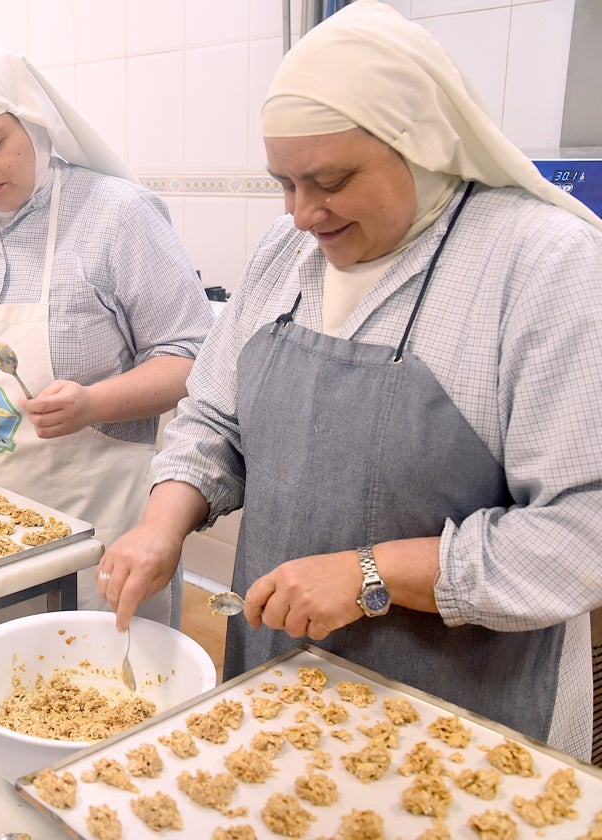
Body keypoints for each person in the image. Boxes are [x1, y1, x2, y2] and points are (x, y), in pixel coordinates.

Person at [99, 0, 602, 762]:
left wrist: (373, 574)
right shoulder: (286, 255)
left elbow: (581, 532)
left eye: (330, 180)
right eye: (284, 183)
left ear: (422, 144)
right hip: (281, 676)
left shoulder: (543, 266)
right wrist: (161, 524)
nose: (302, 213)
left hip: (459, 710)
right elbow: (214, 416)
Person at [0, 45, 213, 677]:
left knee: (100, 688)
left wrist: (94, 403)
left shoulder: (117, 217)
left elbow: (193, 356)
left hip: (92, 511)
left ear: (34, 125)